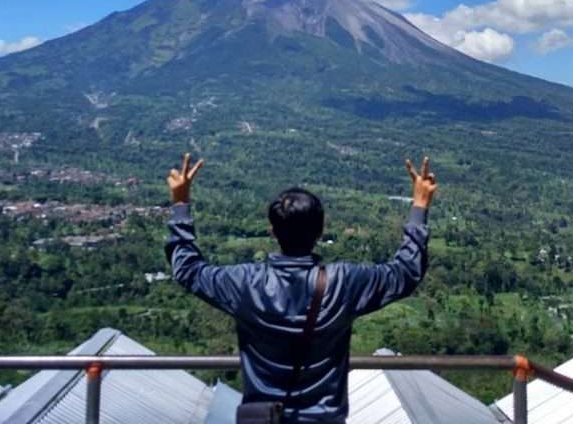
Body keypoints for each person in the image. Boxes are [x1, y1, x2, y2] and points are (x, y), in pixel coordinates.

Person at [165, 153, 438, 423]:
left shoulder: (244, 283)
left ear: (272, 231)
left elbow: (188, 269)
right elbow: (404, 272)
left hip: (262, 419)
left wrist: (180, 204)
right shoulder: (344, 282)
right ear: (320, 232)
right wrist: (419, 205)